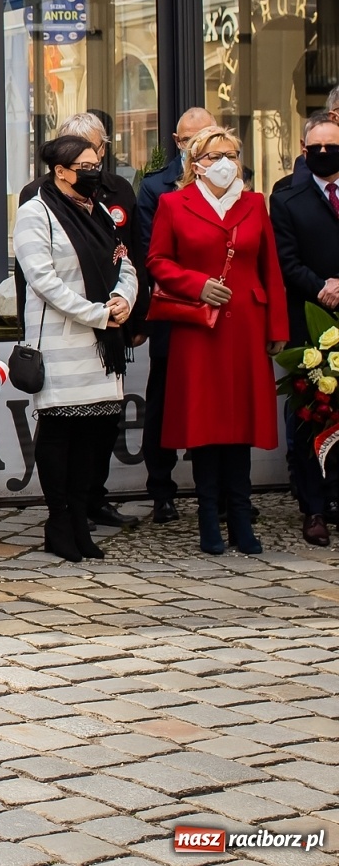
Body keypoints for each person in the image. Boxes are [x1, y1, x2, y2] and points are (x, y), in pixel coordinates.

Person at [148, 126, 288, 555]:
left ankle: (242, 518)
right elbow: (156, 260)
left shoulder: (254, 203)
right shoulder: (174, 203)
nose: (223, 162)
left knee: (242, 426)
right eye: (212, 156)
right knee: (205, 426)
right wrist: (196, 284)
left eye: (230, 154)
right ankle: (209, 518)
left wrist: (277, 329)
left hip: (246, 326)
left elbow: (271, 268)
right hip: (200, 331)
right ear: (195, 163)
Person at [15, 112, 144, 531]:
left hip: (102, 345)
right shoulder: (36, 209)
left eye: (96, 165)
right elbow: (43, 280)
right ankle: (62, 521)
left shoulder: (102, 207)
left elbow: (123, 258)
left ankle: (85, 508)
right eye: (84, 168)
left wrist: (125, 299)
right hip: (61, 341)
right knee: (61, 435)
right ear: (61, 170)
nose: (93, 173)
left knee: (96, 434)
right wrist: (99, 314)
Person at [135, 107, 216, 524]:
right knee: (164, 402)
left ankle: (217, 491)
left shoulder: (232, 182)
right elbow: (152, 253)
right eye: (187, 141)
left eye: (205, 139)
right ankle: (162, 490)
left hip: (220, 312)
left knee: (215, 402)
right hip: (174, 310)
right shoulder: (156, 187)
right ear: (177, 142)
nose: (197, 149)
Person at [269, 111, 339, 546]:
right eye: (317, 147)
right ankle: (314, 507)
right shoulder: (287, 197)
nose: (325, 153)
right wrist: (325, 289)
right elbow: (286, 260)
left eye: (333, 145)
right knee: (310, 415)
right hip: (309, 320)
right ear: (303, 149)